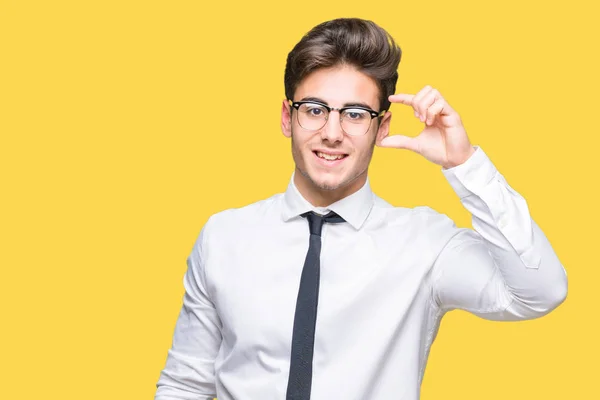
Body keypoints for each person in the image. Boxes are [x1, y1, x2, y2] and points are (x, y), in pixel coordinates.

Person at [154, 17, 568, 400]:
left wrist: (464, 165)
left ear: (381, 127)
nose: (331, 133)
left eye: (355, 114)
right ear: (287, 117)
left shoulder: (425, 245)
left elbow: (540, 291)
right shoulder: (224, 237)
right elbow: (184, 383)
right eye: (314, 110)